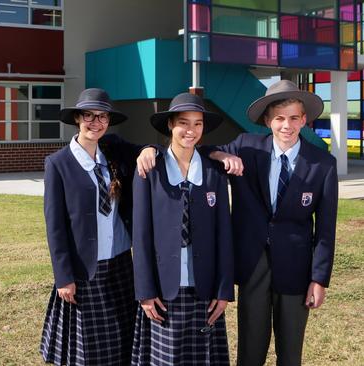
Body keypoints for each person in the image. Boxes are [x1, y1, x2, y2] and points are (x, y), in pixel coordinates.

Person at [203, 80, 338, 366]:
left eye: (293, 118)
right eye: (279, 118)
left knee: (290, 353)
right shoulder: (246, 147)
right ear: (267, 120)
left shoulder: (322, 164)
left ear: (304, 119)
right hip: (253, 267)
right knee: (250, 351)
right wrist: (222, 154)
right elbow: (203, 152)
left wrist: (319, 278)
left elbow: (326, 229)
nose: (286, 125)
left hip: (296, 269)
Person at [39, 88, 143, 365]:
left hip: (121, 261)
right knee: (92, 346)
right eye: (89, 116)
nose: (96, 122)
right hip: (85, 266)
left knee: (123, 334)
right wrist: (63, 276)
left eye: (102, 117)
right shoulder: (58, 164)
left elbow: (151, 151)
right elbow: (55, 225)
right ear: (77, 118)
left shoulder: (113, 152)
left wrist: (146, 152)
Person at [131, 92, 234, 365]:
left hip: (205, 285)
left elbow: (224, 235)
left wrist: (223, 291)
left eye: (198, 123)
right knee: (168, 358)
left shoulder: (214, 172)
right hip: (164, 289)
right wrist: (145, 292)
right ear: (170, 125)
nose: (191, 130)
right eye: (184, 123)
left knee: (202, 357)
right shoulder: (149, 171)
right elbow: (140, 237)